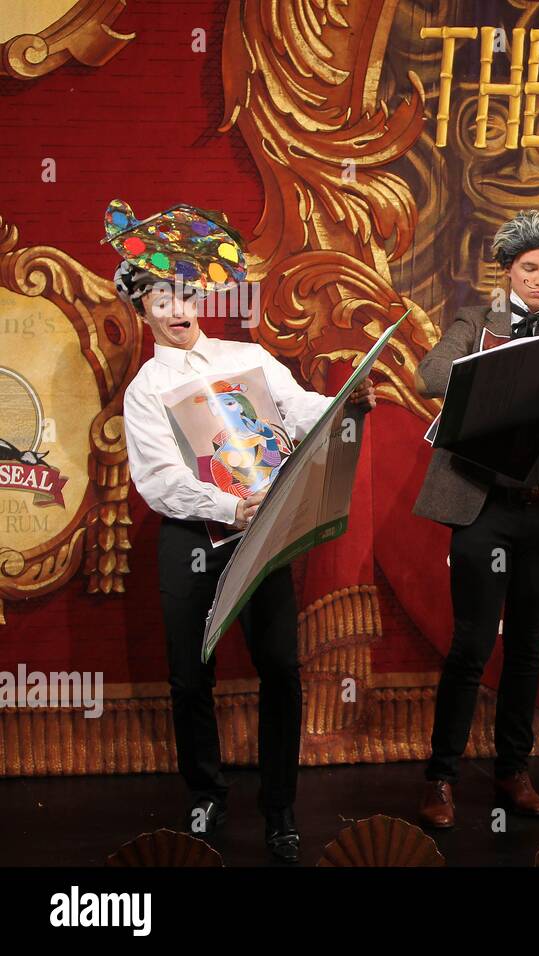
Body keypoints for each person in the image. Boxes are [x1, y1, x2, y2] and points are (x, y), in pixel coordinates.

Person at [116, 200, 376, 862]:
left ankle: (280, 809)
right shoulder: (146, 388)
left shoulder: (246, 356)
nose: (175, 313)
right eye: (158, 303)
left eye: (181, 297)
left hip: (264, 535)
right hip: (194, 539)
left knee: (281, 668)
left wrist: (348, 403)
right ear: (141, 312)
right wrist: (231, 508)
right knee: (188, 675)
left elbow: (301, 411)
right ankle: (205, 793)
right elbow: (159, 480)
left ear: (196, 295)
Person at [413, 210, 539, 829]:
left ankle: (513, 771)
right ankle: (441, 778)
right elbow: (431, 375)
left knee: (526, 646)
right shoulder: (475, 322)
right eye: (530, 269)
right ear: (507, 271)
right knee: (471, 646)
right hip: (485, 509)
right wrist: (506, 367)